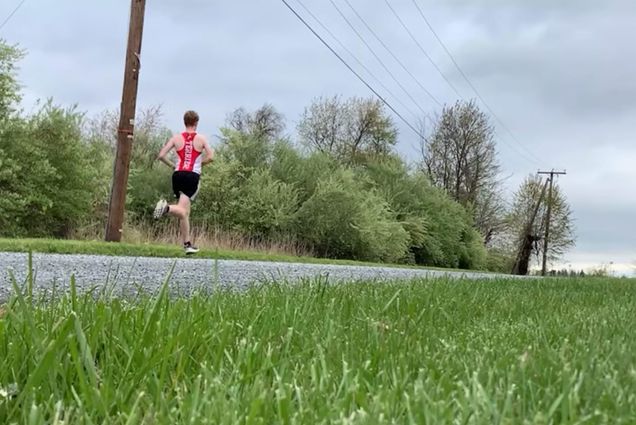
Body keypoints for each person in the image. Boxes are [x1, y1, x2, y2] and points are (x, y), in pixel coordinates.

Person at [153, 110, 214, 254]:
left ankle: (187, 244)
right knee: (181, 210)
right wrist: (200, 164)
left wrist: (172, 165)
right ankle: (166, 208)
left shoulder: (176, 138)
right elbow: (211, 157)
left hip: (178, 174)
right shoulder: (201, 138)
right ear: (196, 123)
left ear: (184, 122)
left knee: (184, 212)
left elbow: (161, 155)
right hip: (191, 175)